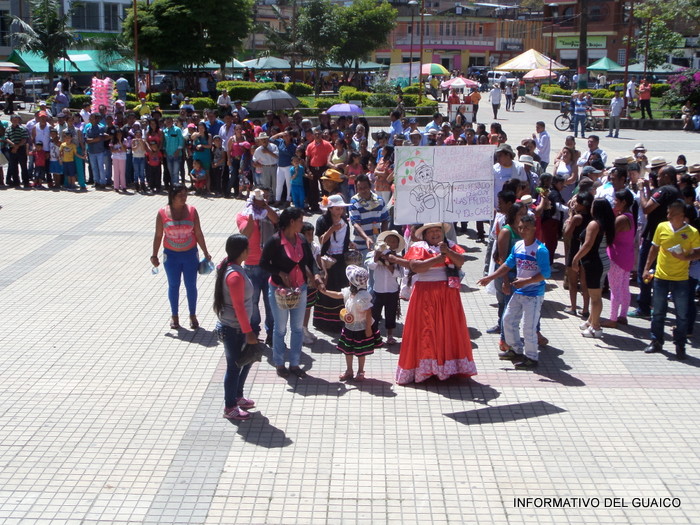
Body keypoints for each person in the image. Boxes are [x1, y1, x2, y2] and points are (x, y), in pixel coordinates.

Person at [388, 223, 477, 384]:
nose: (435, 234)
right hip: (425, 292)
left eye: (438, 231)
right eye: (431, 232)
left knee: (447, 328)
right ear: (425, 235)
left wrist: (447, 252)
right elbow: (415, 267)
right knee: (426, 329)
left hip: (448, 294)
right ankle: (426, 368)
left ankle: (448, 367)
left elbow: (460, 261)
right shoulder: (418, 247)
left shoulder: (450, 246)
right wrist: (437, 259)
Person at [478, 214, 551, 369]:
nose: (523, 231)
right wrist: (490, 277)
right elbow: (507, 264)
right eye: (521, 228)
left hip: (534, 295)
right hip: (519, 292)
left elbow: (546, 273)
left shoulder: (540, 250)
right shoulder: (518, 245)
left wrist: (526, 281)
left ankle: (531, 358)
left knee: (529, 328)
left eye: (527, 228)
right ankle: (516, 350)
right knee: (508, 320)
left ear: (534, 229)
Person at [260, 207, 315, 378]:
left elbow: (310, 262)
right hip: (280, 291)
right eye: (300, 220)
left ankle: (295, 364)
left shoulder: (302, 239)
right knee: (280, 328)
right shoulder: (275, 241)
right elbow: (263, 263)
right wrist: (280, 273)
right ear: (292, 222)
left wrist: (316, 275)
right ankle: (279, 363)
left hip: (300, 289)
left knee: (297, 328)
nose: (302, 224)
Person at [642, 200, 700, 360]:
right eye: (668, 213)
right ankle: (656, 341)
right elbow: (654, 248)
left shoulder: (692, 232)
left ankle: (680, 346)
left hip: (681, 279)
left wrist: (685, 257)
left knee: (682, 315)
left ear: (682, 216)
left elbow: (698, 252)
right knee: (658, 312)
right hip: (661, 277)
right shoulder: (662, 227)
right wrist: (646, 268)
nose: (668, 216)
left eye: (672, 214)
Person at [151, 183, 212, 330]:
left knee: (191, 285)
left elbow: (198, 233)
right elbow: (158, 235)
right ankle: (174, 316)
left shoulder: (192, 211)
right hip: (171, 256)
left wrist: (205, 252)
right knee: (173, 285)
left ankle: (193, 315)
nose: (184, 198)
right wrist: (154, 255)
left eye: (185, 194)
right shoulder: (162, 213)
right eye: (180, 195)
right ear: (172, 196)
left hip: (190, 254)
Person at [213, 234, 259, 421]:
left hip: (238, 328)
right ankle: (230, 407)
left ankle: (237, 396)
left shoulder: (231, 266)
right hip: (234, 329)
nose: (250, 250)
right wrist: (248, 332)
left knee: (246, 361)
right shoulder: (234, 276)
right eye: (248, 247)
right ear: (242, 251)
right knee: (233, 368)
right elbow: (239, 307)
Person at [632, 165, 680, 318]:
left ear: (666, 176)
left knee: (645, 271)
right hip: (668, 236)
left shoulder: (664, 191)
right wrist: (648, 188)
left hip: (654, 236)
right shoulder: (676, 191)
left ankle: (644, 307)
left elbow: (646, 208)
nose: (657, 178)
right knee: (659, 273)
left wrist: (641, 190)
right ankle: (658, 307)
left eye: (659, 176)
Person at [319, 265, 381, 382]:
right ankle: (349, 370)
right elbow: (338, 295)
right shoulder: (348, 291)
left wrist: (368, 328)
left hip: (361, 327)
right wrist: (325, 292)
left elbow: (368, 312)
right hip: (349, 326)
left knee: (361, 351)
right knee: (348, 350)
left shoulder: (364, 296)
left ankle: (360, 371)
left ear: (351, 282)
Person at [572, 198, 616, 338]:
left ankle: (595, 327)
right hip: (601, 261)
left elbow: (588, 244)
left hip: (595, 263)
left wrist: (575, 258)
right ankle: (591, 320)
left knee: (595, 297)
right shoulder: (606, 223)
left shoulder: (594, 224)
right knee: (595, 295)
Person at [314, 194, 353, 332]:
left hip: (341, 259)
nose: (340, 211)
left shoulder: (345, 221)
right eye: (337, 209)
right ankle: (325, 322)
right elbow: (321, 241)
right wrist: (332, 230)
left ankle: (341, 320)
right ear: (330, 209)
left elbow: (344, 239)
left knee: (341, 288)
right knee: (328, 288)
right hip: (328, 260)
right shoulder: (322, 221)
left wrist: (350, 243)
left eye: (341, 209)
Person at [602, 188, 635, 328]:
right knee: (624, 287)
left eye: (616, 200)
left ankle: (612, 319)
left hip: (617, 258)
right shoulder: (630, 216)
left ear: (623, 202)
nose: (614, 202)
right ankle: (623, 315)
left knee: (615, 289)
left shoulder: (621, 219)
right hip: (627, 257)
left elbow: (609, 234)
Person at [367, 230, 404, 345]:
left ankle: (390, 335)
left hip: (392, 291)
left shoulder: (397, 258)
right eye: (388, 241)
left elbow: (400, 274)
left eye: (394, 242)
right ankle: (374, 335)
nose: (391, 244)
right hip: (378, 290)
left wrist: (389, 265)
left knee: (391, 314)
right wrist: (377, 256)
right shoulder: (375, 254)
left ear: (397, 245)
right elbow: (370, 266)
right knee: (375, 314)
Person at [563, 192, 593, 317]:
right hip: (587, 251)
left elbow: (567, 233)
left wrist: (571, 215)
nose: (574, 204)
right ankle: (586, 309)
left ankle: (573, 307)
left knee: (573, 281)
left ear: (582, 204)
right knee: (585, 283)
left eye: (577, 202)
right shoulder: (593, 217)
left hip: (575, 249)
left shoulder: (577, 218)